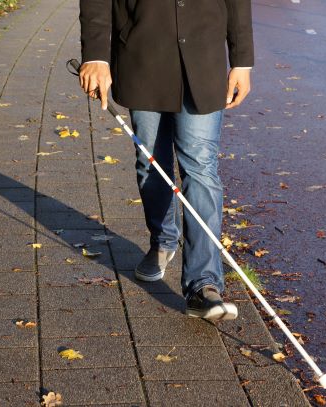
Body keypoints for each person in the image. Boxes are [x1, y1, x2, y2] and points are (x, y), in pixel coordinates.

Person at [78, 0, 254, 321]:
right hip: (143, 54)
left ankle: (204, 284)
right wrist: (95, 56)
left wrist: (242, 60)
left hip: (203, 58)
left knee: (201, 169)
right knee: (151, 164)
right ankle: (163, 239)